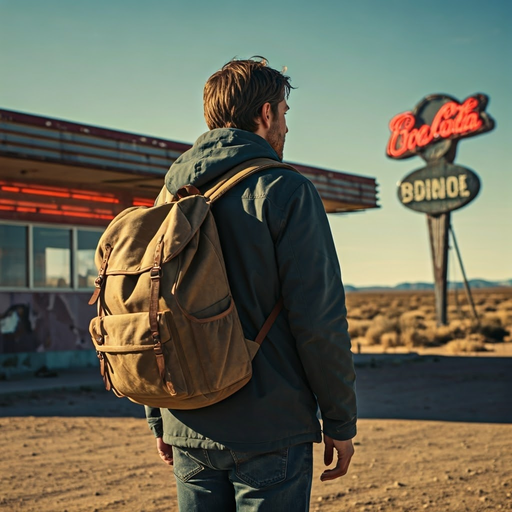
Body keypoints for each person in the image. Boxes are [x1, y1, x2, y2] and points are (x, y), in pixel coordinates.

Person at [145, 56, 357, 511]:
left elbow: (148, 311)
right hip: (270, 428)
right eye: (283, 113)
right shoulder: (285, 190)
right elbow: (318, 321)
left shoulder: (168, 197)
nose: (284, 126)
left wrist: (159, 418)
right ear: (265, 114)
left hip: (187, 421)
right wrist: (339, 421)